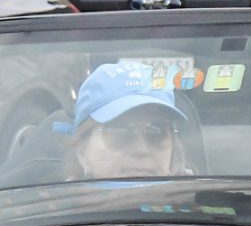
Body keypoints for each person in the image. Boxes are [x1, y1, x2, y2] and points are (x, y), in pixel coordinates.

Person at [60, 62, 197, 180]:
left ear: (172, 151)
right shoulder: (52, 209)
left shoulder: (199, 206)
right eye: (120, 132)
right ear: (83, 153)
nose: (141, 149)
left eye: (156, 132)